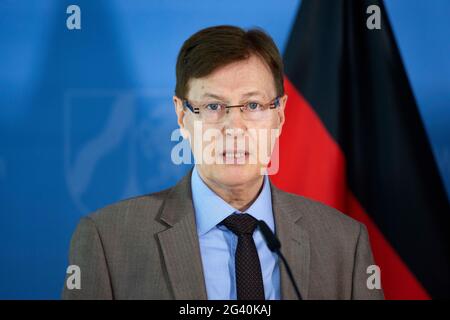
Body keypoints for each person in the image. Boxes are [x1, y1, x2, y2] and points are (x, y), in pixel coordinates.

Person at [62, 25, 384, 300]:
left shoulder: (345, 244)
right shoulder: (108, 241)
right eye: (213, 106)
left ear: (280, 114)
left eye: (253, 104)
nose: (234, 127)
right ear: (182, 115)